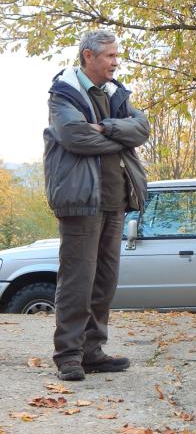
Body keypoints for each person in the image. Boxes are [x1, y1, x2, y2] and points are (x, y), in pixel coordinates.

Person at [43, 30, 149, 381]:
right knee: (78, 280)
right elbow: (74, 136)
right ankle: (69, 356)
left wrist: (103, 129)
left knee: (105, 279)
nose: (116, 63)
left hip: (114, 200)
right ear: (89, 56)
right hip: (81, 201)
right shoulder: (63, 94)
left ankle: (93, 351)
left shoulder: (117, 93)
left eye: (117, 56)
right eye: (110, 57)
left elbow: (143, 129)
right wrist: (119, 138)